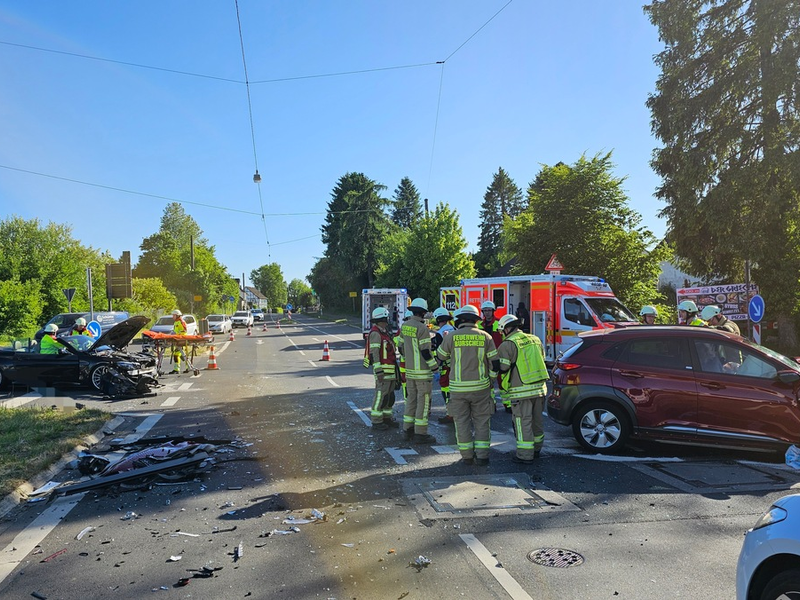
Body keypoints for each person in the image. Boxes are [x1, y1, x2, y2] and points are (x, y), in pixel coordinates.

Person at [436, 304, 499, 466]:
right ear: (476, 320)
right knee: (482, 422)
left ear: (461, 320)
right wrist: (491, 380)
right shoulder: (486, 337)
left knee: (461, 422)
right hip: (481, 387)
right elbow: (495, 363)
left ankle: (467, 456)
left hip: (458, 389)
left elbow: (440, 357)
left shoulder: (451, 336)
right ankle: (482, 456)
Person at [496, 314, 549, 464]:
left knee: (523, 422)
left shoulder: (507, 344)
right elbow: (543, 359)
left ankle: (525, 455)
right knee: (537, 421)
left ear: (506, 329)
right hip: (540, 389)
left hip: (521, 391)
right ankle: (537, 449)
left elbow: (504, 368)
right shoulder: (535, 339)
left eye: (501, 331)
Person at [400, 298, 438, 444]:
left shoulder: (405, 326)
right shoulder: (422, 328)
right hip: (422, 373)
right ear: (423, 312)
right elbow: (426, 352)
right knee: (423, 402)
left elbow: (400, 347)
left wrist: (408, 358)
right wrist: (435, 367)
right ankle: (420, 434)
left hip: (409, 371)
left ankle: (407, 430)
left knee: (411, 400)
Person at [363, 307, 399, 430]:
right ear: (382, 319)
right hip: (383, 371)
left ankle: (387, 418)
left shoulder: (384, 332)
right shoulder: (375, 333)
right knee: (381, 396)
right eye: (386, 318)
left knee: (389, 397)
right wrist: (378, 371)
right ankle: (377, 421)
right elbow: (374, 353)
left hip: (391, 370)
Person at [431, 307, 455, 424]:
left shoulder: (440, 334)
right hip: (456, 365)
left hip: (446, 366)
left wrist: (436, 368)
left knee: (446, 390)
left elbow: (441, 353)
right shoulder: (454, 329)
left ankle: (450, 414)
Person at [394, 309, 413, 401]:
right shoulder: (419, 328)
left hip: (404, 362)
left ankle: (407, 401)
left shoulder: (401, 330)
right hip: (411, 362)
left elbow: (396, 342)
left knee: (406, 383)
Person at [170, 309, 190, 374]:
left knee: (179, 355)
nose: (172, 317)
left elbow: (184, 330)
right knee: (180, 355)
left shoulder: (181, 321)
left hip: (182, 340)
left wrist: (177, 334)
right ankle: (185, 368)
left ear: (177, 315)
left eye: (174, 315)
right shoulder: (176, 322)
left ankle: (179, 369)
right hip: (178, 340)